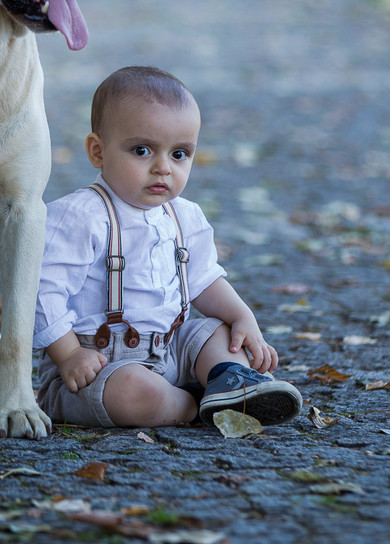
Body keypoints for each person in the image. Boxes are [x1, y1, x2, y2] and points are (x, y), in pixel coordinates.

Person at [34, 66, 302, 428]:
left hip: (169, 349)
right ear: (98, 151)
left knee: (220, 333)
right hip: (94, 367)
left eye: (179, 154)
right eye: (142, 150)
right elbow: (42, 290)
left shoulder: (183, 216)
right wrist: (68, 355)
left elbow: (204, 281)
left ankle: (230, 381)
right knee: (133, 393)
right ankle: (193, 402)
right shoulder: (80, 216)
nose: (163, 168)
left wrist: (243, 317)